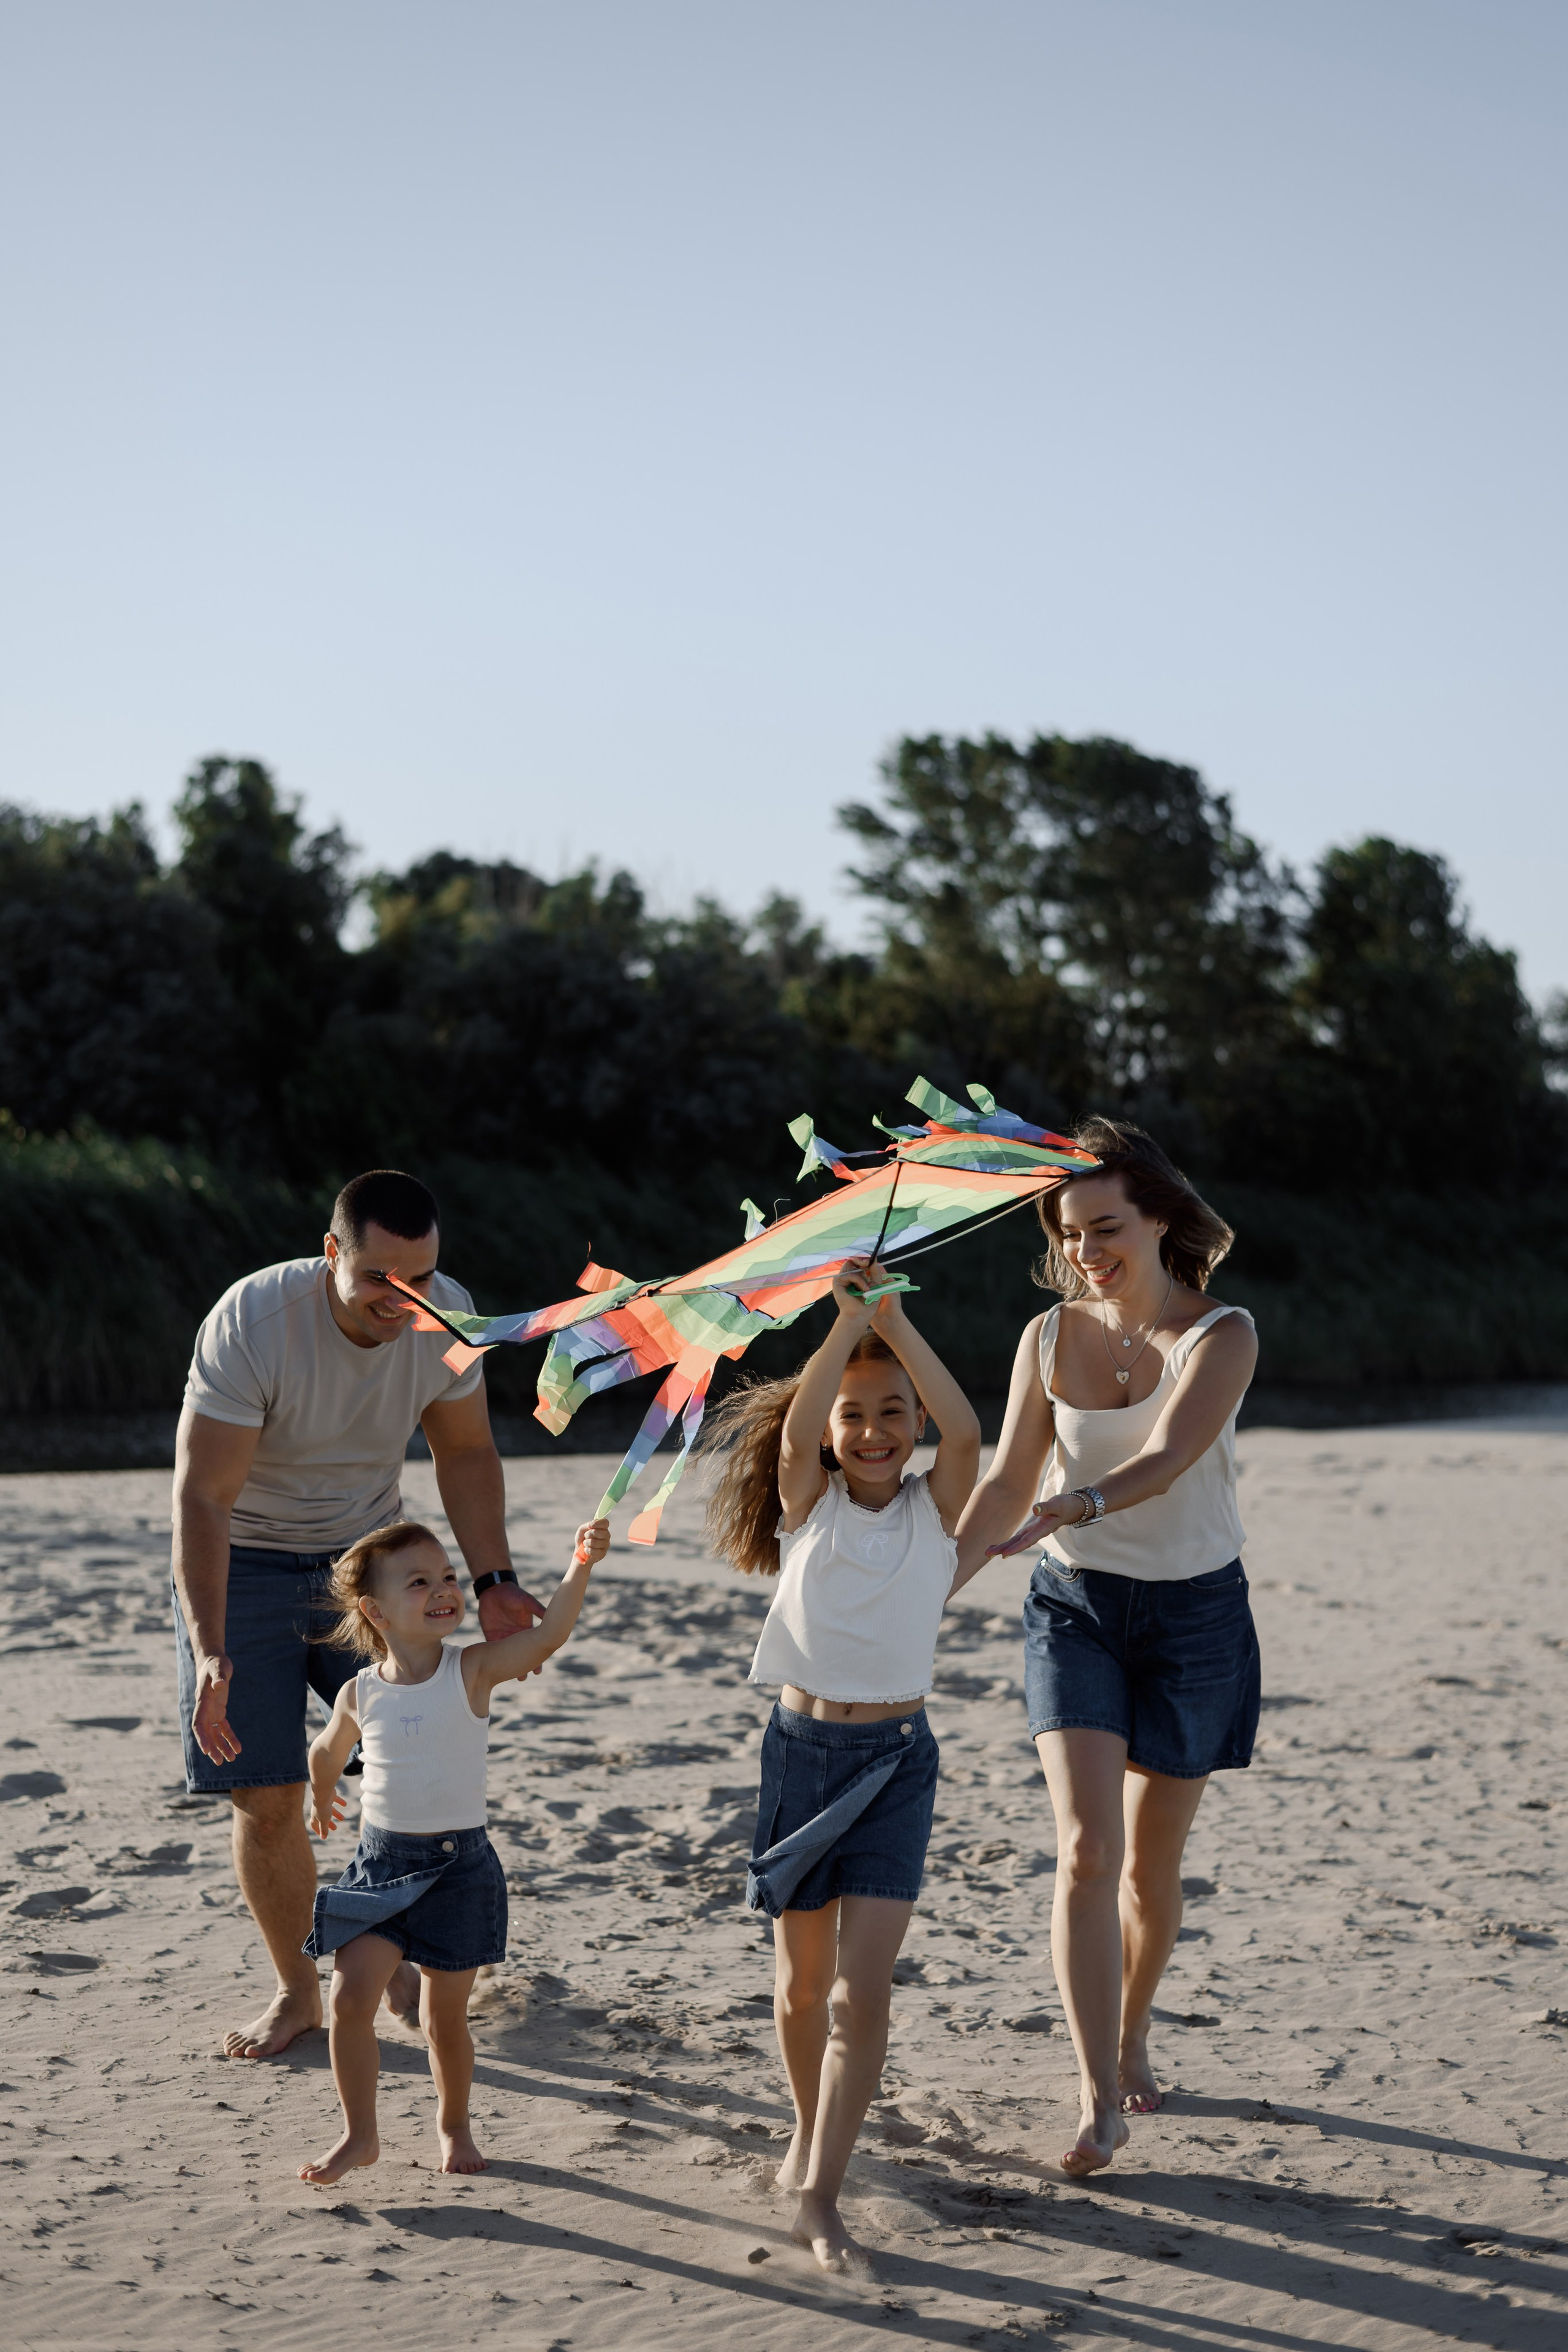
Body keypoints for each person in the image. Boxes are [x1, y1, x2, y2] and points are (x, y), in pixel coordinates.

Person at [173, 1167, 552, 2062]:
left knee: (410, 1768)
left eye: (421, 1279)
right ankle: (300, 1993)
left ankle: (401, 1956)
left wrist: (495, 1576)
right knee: (266, 1796)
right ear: (332, 1252)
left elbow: (465, 1451)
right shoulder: (254, 1323)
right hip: (249, 1556)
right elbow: (204, 1499)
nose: (405, 1299)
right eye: (382, 1278)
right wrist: (210, 1647)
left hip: (365, 1561)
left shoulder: (443, 1317)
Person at [951, 1118, 1259, 2179]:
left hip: (1195, 1621)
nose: (1085, 1249)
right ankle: (1096, 2094)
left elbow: (1172, 1457)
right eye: (1070, 1231)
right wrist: (932, 1590)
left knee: (1151, 1873)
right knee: (1087, 1851)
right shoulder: (1046, 1338)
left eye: (1106, 1227)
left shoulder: (1222, 1332)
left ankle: (1133, 2030)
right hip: (1076, 1607)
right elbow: (1002, 1481)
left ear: (1161, 1218)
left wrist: (1072, 1500)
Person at [703, 1260, 981, 2274]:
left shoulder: (937, 1513)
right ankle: (806, 2128)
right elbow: (797, 1422)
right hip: (803, 1757)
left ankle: (820, 2187)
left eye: (892, 1413)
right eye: (855, 1415)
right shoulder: (808, 1504)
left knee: (864, 1996)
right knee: (800, 1987)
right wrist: (844, 1327)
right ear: (829, 1432)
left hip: (897, 1765)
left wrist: (898, 1325)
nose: (875, 1430)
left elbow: (969, 1431)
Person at [296, 1513, 608, 2184]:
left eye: (446, 1577)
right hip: (380, 1867)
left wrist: (580, 1564)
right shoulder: (360, 1692)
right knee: (348, 2002)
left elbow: (549, 1635)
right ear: (376, 1611)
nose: (443, 1590)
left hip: (457, 1870)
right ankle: (360, 2135)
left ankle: (453, 2123)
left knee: (443, 2020)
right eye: (419, 1582)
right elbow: (325, 1751)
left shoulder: (470, 1670)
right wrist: (320, 1795)